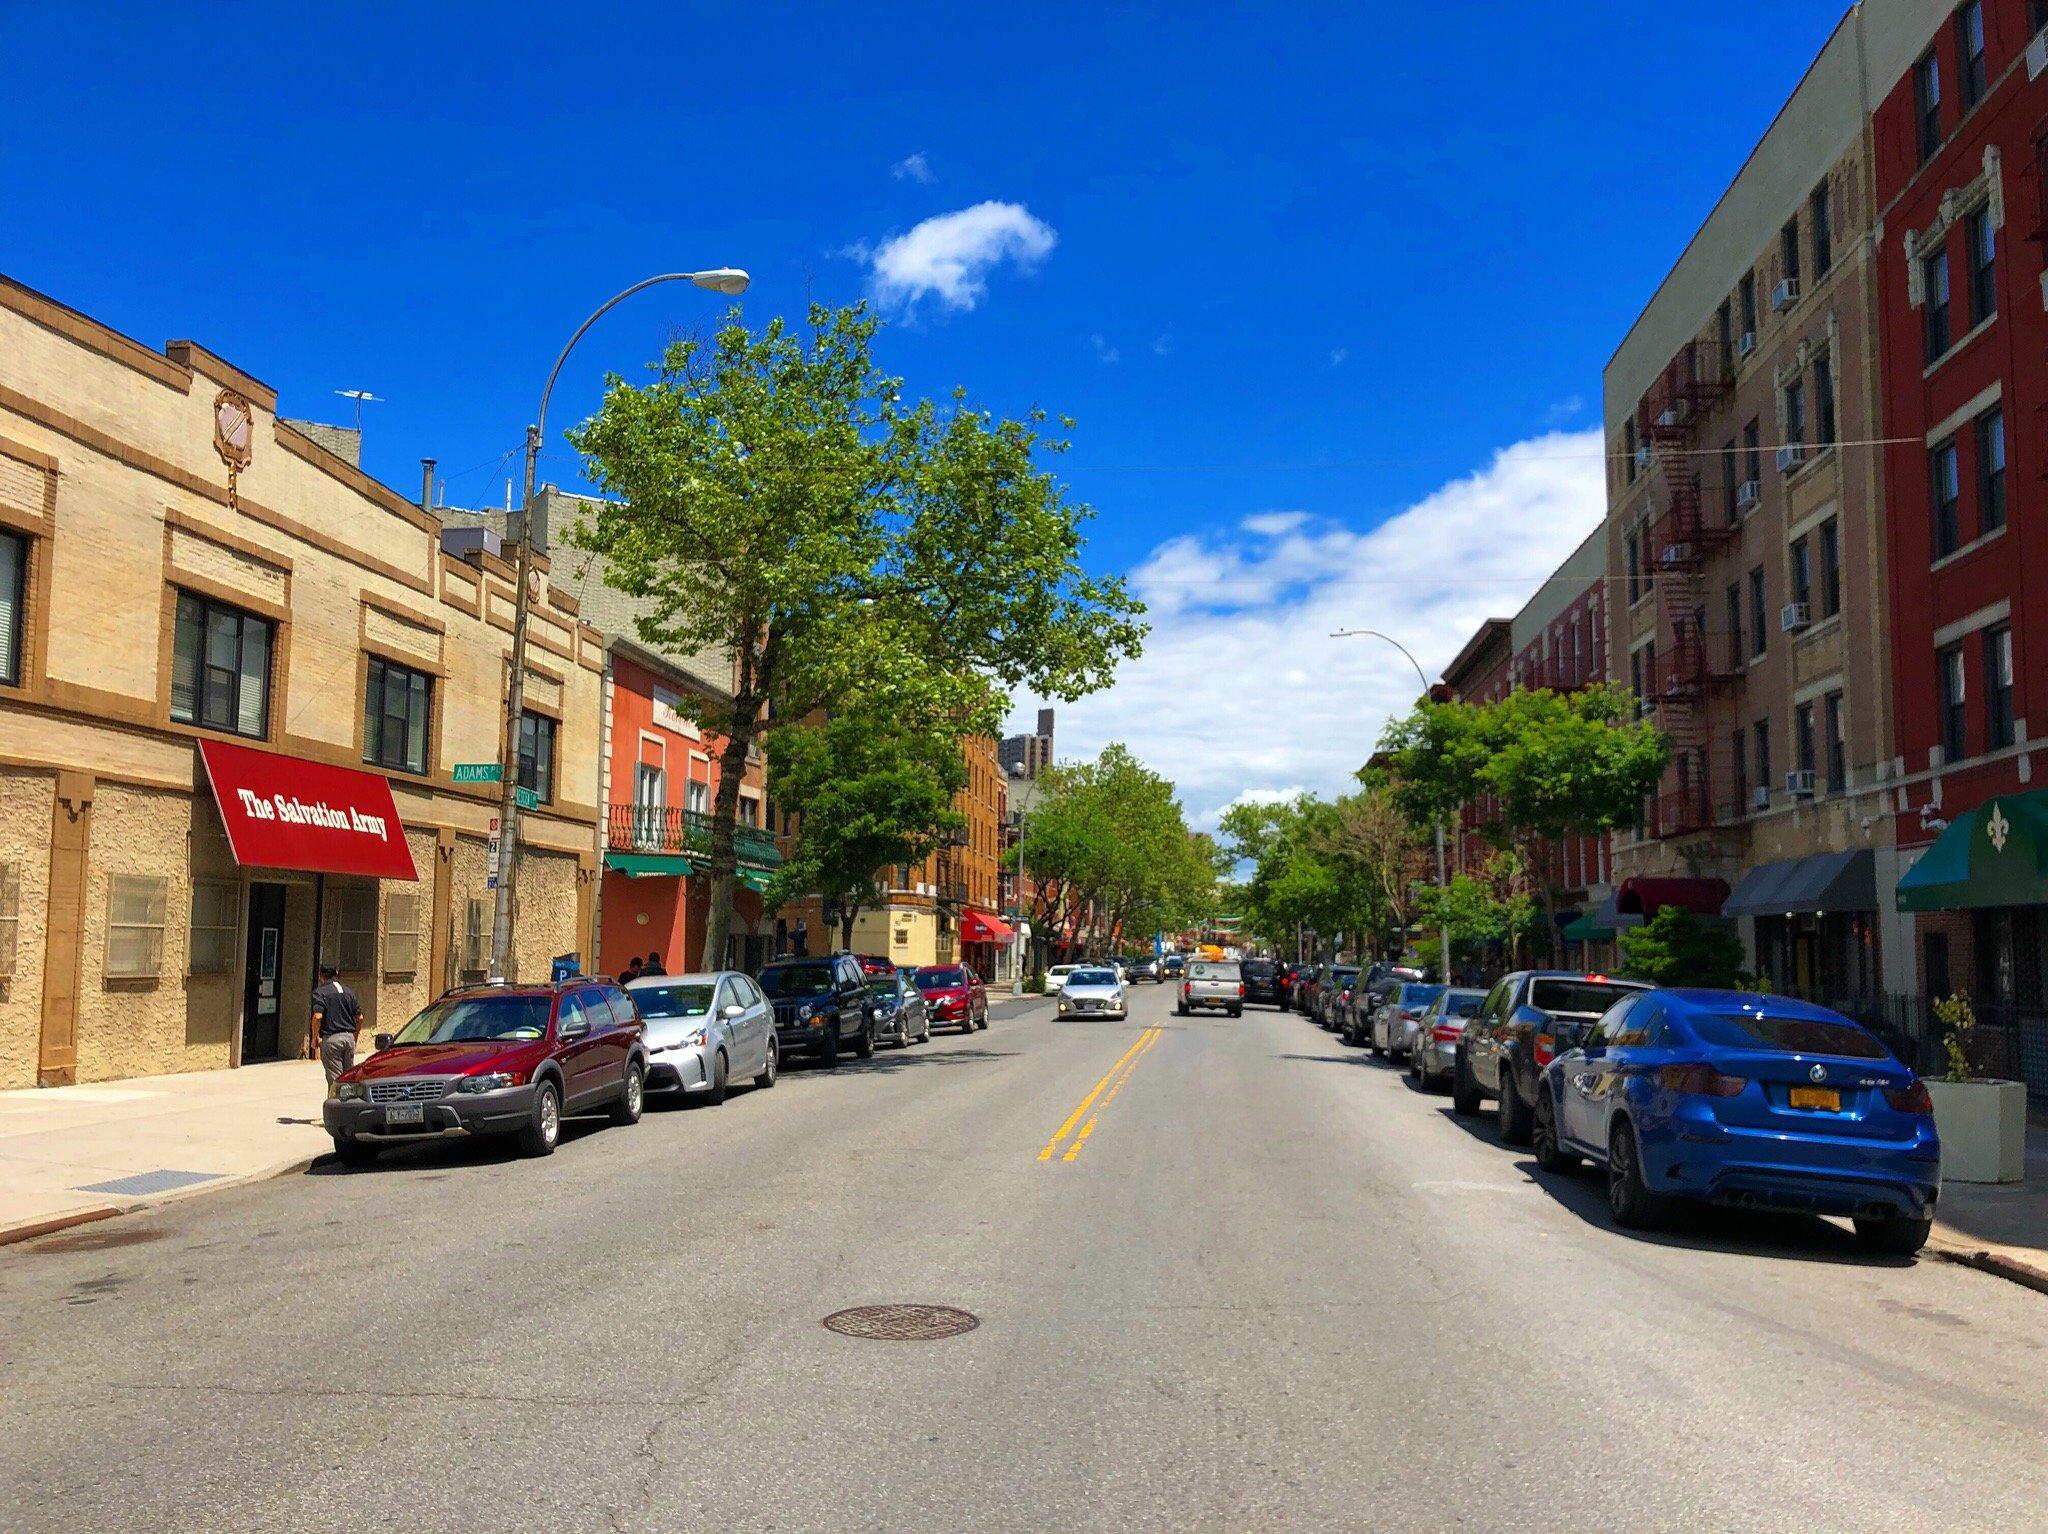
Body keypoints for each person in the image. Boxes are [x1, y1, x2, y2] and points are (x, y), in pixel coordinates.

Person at [309, 964, 363, 1096]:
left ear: (321, 976)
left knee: (335, 1081)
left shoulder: (320, 992)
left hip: (332, 1040)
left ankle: (335, 1110)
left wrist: (314, 1038)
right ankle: (350, 1107)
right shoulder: (348, 991)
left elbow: (317, 1016)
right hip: (348, 1038)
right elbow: (360, 1017)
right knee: (349, 1078)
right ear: (336, 974)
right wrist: (354, 1037)